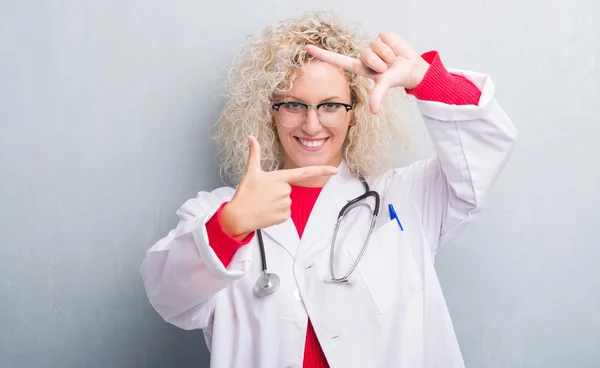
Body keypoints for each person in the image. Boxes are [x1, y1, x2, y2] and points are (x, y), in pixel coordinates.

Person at [140, 11, 517, 368]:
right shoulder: (219, 211)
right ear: (270, 111)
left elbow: (483, 153)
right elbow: (169, 297)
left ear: (354, 113)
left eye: (331, 105)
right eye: (293, 105)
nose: (312, 124)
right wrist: (229, 227)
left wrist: (426, 79)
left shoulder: (405, 199)